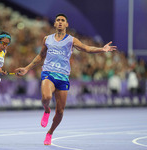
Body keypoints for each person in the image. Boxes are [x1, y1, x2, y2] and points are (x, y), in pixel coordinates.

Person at [15, 13, 117, 145]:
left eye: (63, 20)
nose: (60, 22)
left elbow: (87, 49)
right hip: (48, 73)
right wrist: (27, 68)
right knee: (46, 97)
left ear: (66, 24)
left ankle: (50, 132)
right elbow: (41, 56)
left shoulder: (71, 40)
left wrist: (102, 50)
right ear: (54, 24)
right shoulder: (47, 39)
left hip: (63, 76)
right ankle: (46, 110)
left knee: (60, 111)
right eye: (58, 20)